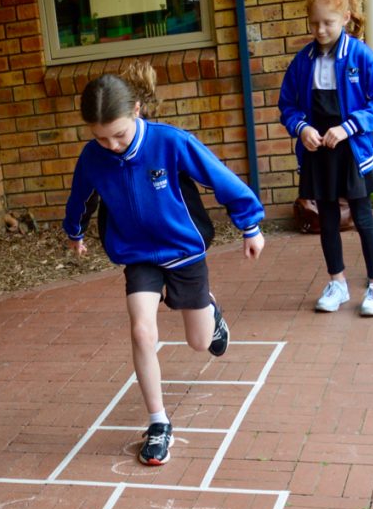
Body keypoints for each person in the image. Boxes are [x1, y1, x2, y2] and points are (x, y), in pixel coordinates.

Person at [63, 61, 264, 467]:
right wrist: (75, 232)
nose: (112, 146)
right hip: (137, 254)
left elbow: (219, 177)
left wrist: (250, 223)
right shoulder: (93, 157)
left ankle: (210, 310)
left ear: (136, 110)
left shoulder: (170, 142)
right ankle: (158, 423)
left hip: (183, 250)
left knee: (199, 342)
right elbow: (81, 196)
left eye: (118, 134)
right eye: (101, 138)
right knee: (141, 330)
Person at [280, 0, 373, 315]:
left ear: (345, 18)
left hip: (351, 149)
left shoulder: (361, 56)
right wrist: (302, 129)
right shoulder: (302, 61)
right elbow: (288, 106)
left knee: (362, 216)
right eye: (314, 23)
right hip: (318, 152)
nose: (320, 29)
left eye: (327, 22)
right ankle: (337, 283)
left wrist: (348, 127)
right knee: (327, 218)